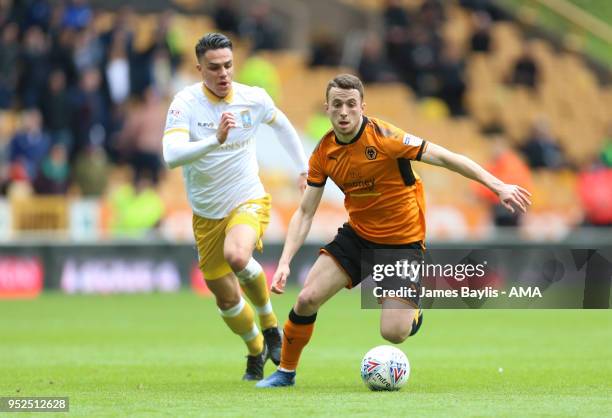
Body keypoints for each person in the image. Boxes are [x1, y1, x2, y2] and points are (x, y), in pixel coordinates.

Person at [256, 74, 531, 388]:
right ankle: (286, 373)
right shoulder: (323, 153)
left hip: (401, 243)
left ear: (362, 107)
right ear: (327, 109)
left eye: (350, 104)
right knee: (306, 298)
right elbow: (305, 211)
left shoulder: (386, 138)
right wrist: (285, 262)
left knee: (393, 333)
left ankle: (413, 313)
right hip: (358, 236)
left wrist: (498, 186)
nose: (344, 112)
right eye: (337, 105)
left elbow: (446, 157)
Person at [161, 33, 308, 381]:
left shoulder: (252, 98)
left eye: (228, 65)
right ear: (199, 69)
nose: (223, 73)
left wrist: (302, 167)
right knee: (226, 300)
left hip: (247, 198)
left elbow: (282, 125)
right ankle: (255, 348)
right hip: (207, 214)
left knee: (238, 256)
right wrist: (215, 139)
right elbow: (171, 156)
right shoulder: (185, 103)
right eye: (214, 67)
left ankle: (271, 323)